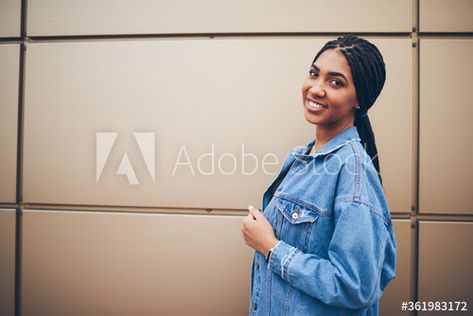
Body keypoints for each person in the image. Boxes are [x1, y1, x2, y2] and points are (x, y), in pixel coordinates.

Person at [241, 34, 397, 315]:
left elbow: (355, 286)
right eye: (314, 74)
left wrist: (271, 248)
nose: (316, 88)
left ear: (359, 99)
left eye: (335, 82)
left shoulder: (354, 173)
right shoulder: (302, 157)